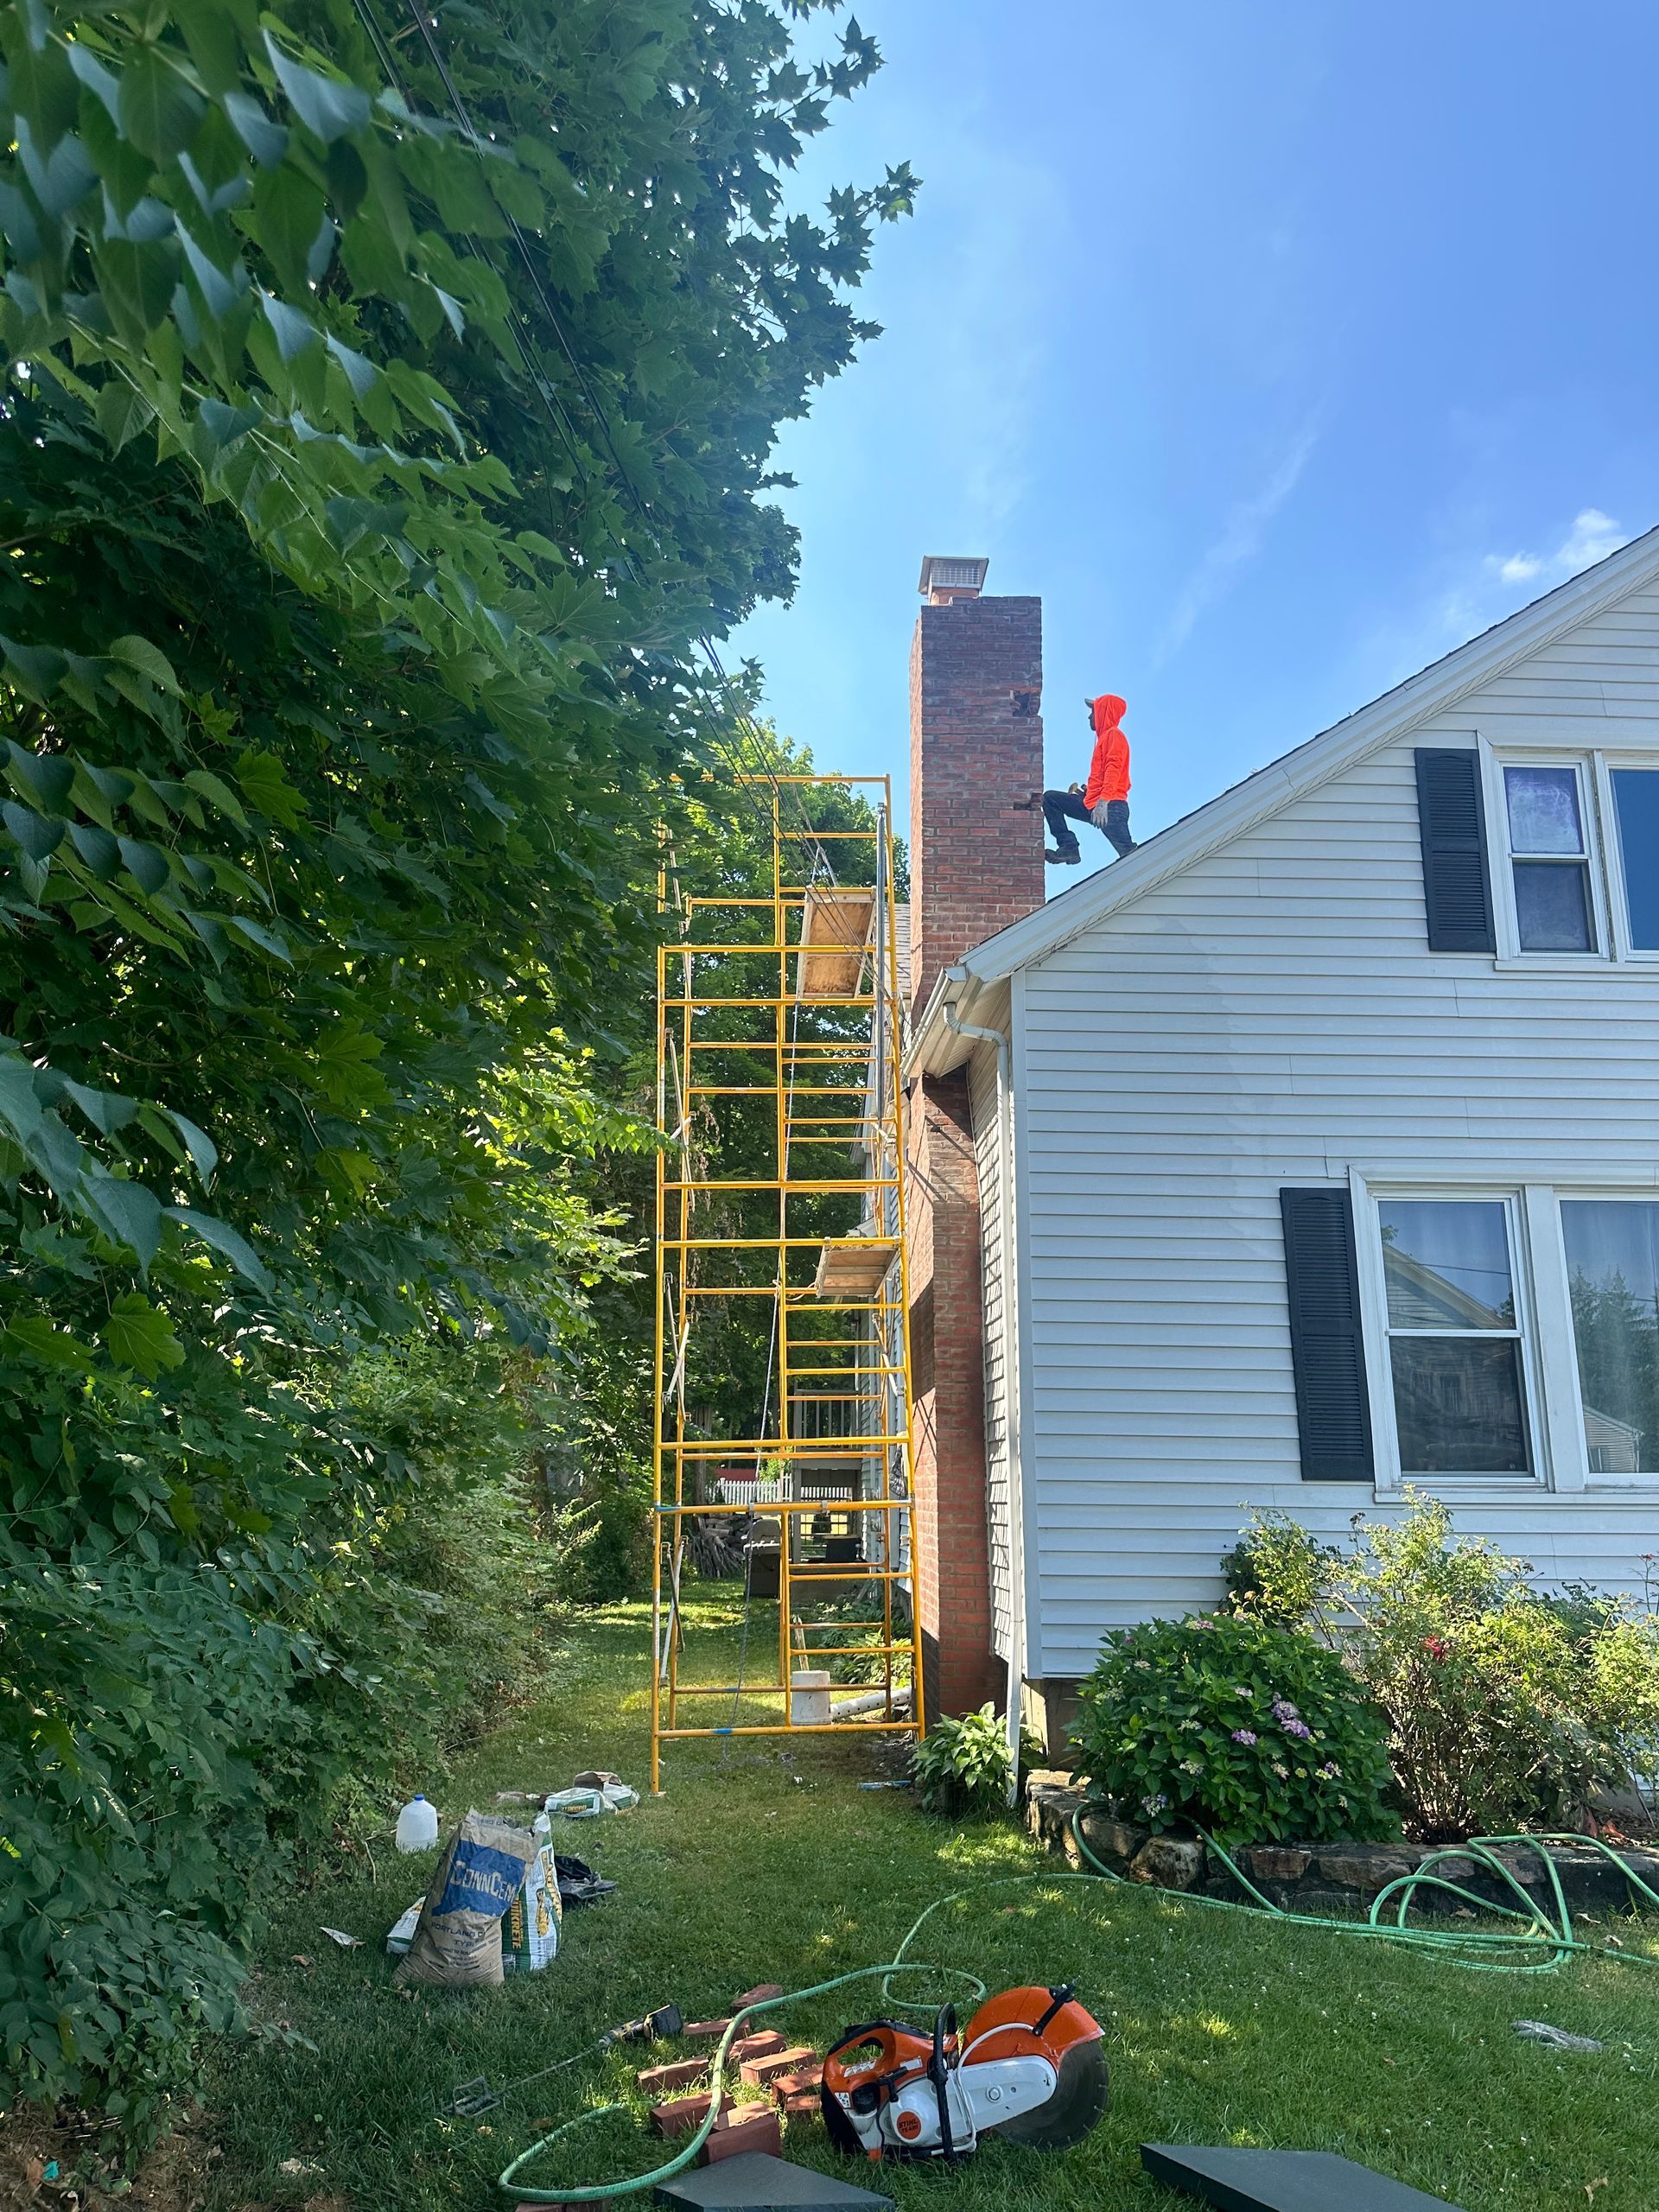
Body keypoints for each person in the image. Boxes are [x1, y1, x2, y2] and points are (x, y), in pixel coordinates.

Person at [1043, 694, 1135, 862]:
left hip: (1111, 806)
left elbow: (1113, 768)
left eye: (1094, 712)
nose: (1090, 716)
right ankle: (1069, 848)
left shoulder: (1114, 735)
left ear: (1104, 712)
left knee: (1131, 857)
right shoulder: (1104, 738)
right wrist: (1089, 793)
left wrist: (1103, 802)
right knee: (1050, 799)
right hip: (1092, 803)